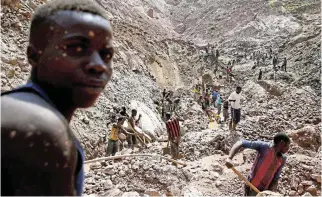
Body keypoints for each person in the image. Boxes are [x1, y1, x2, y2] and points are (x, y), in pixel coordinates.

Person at [1, 0, 113, 195]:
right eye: (76, 48)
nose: (99, 65)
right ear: (34, 56)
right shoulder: (41, 129)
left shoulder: (19, 109)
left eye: (106, 54)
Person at [226, 133, 291, 196]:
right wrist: (229, 158)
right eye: (288, 145)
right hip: (252, 186)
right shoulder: (264, 147)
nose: (288, 148)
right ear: (281, 143)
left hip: (265, 191)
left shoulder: (283, 158)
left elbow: (276, 178)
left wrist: (271, 192)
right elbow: (241, 143)